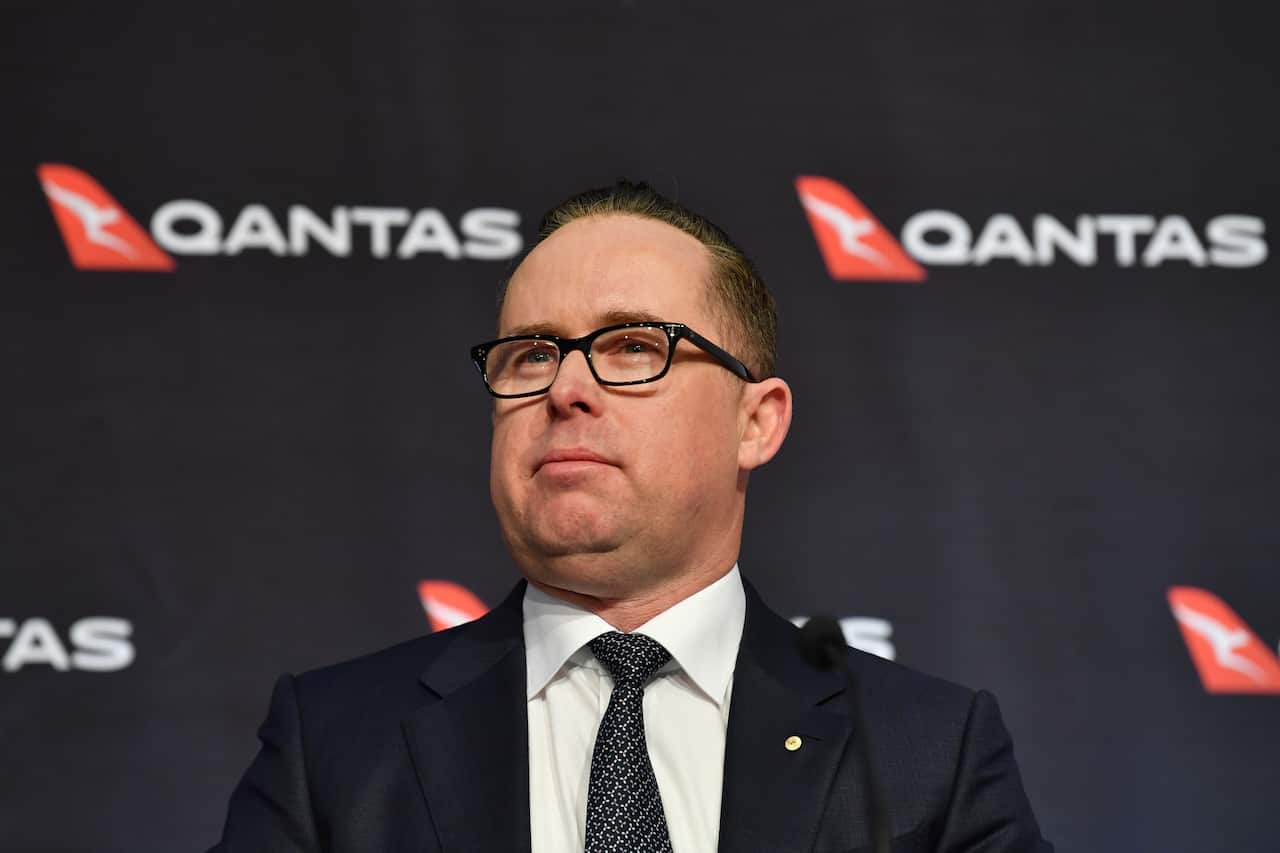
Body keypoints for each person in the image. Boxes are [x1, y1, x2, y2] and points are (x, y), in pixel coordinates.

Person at [210, 181, 1053, 852]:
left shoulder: (920, 753)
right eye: (531, 354)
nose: (566, 388)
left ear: (755, 421)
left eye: (632, 347)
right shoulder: (334, 745)